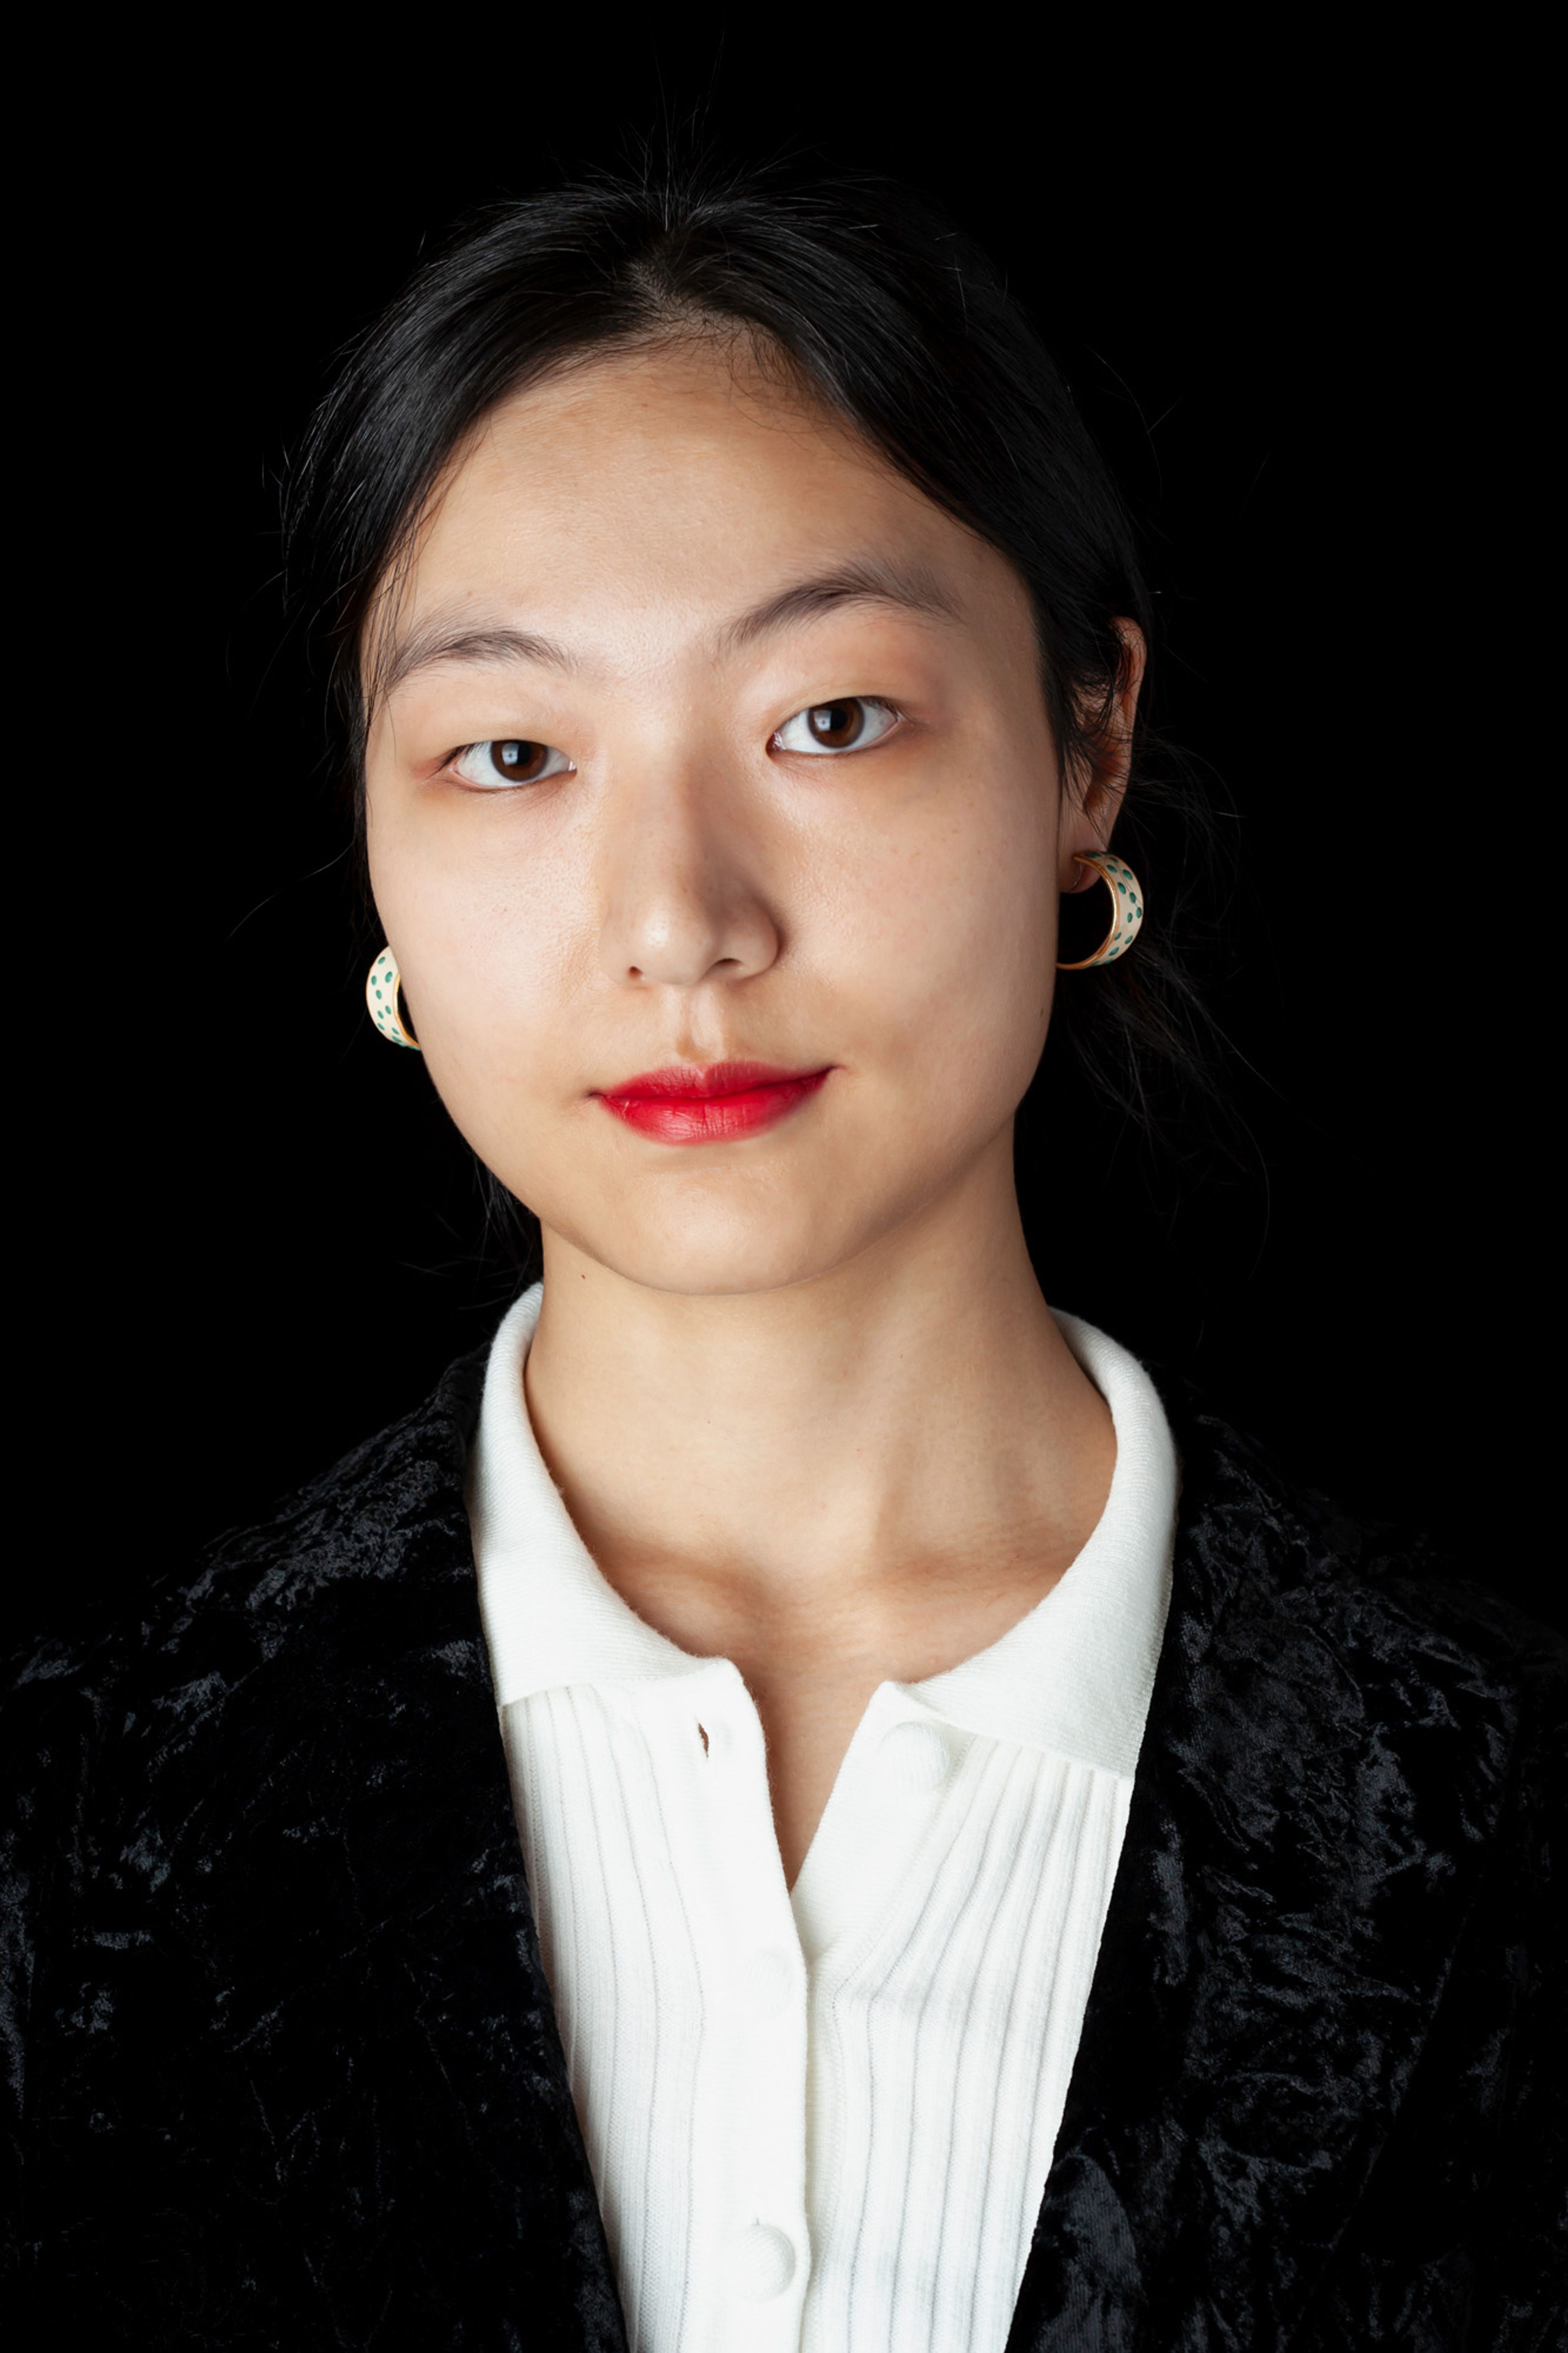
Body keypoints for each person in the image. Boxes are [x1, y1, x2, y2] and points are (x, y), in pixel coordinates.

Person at [4, 167, 1562, 2353]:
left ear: (1086, 748)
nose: (679, 920)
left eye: (828, 720)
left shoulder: (1508, 1818)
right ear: (372, 833)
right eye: (512, 754)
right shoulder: (78, 1823)